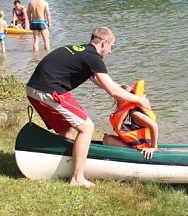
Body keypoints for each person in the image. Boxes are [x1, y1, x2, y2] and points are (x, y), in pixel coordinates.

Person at [26, 26, 150, 187]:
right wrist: (139, 101)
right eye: (111, 46)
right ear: (104, 43)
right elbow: (111, 90)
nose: (110, 51)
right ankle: (77, 178)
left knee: (68, 128)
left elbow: (105, 84)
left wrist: (129, 93)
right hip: (48, 91)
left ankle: (61, 162)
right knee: (87, 127)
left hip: (34, 89)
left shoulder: (82, 51)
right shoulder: (93, 58)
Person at [103, 81, 159, 159]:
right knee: (107, 138)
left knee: (107, 140)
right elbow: (111, 88)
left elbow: (154, 126)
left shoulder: (135, 114)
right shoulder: (129, 111)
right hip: (137, 144)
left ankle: (133, 154)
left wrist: (153, 147)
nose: (115, 101)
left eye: (117, 99)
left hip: (143, 147)